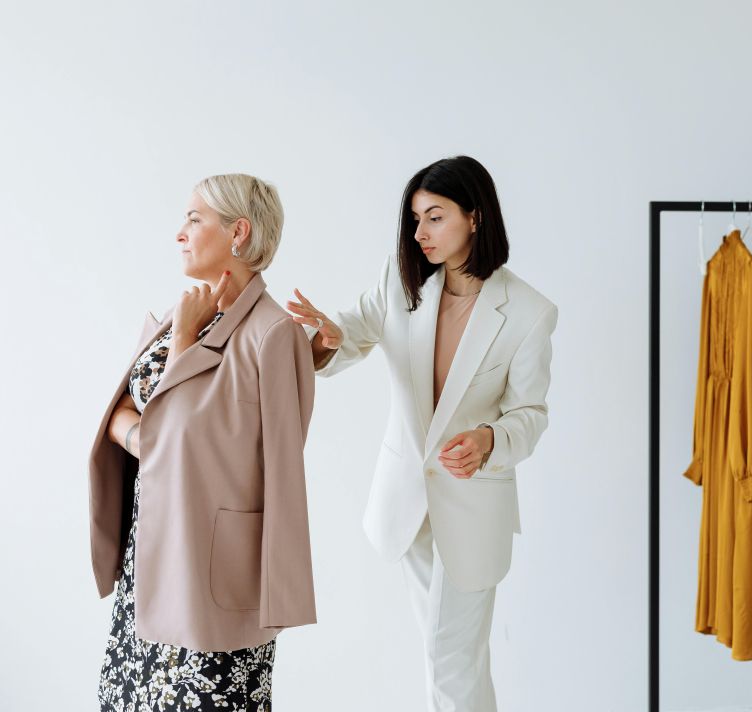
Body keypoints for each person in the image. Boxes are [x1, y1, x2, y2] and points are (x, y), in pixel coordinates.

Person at [288, 155, 558, 711]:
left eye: (435, 217)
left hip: (474, 507)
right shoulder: (401, 279)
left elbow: (530, 413)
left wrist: (488, 440)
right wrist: (328, 338)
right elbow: (352, 332)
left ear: (475, 217)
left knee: (448, 656)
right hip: (407, 504)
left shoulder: (529, 312)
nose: (420, 233)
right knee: (454, 658)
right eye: (416, 219)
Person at [89, 174, 316, 711]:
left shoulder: (272, 333)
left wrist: (181, 349)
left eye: (194, 219)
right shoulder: (183, 314)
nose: (180, 233)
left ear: (239, 232)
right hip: (149, 562)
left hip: (213, 578)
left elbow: (281, 469)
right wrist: (142, 432)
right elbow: (127, 416)